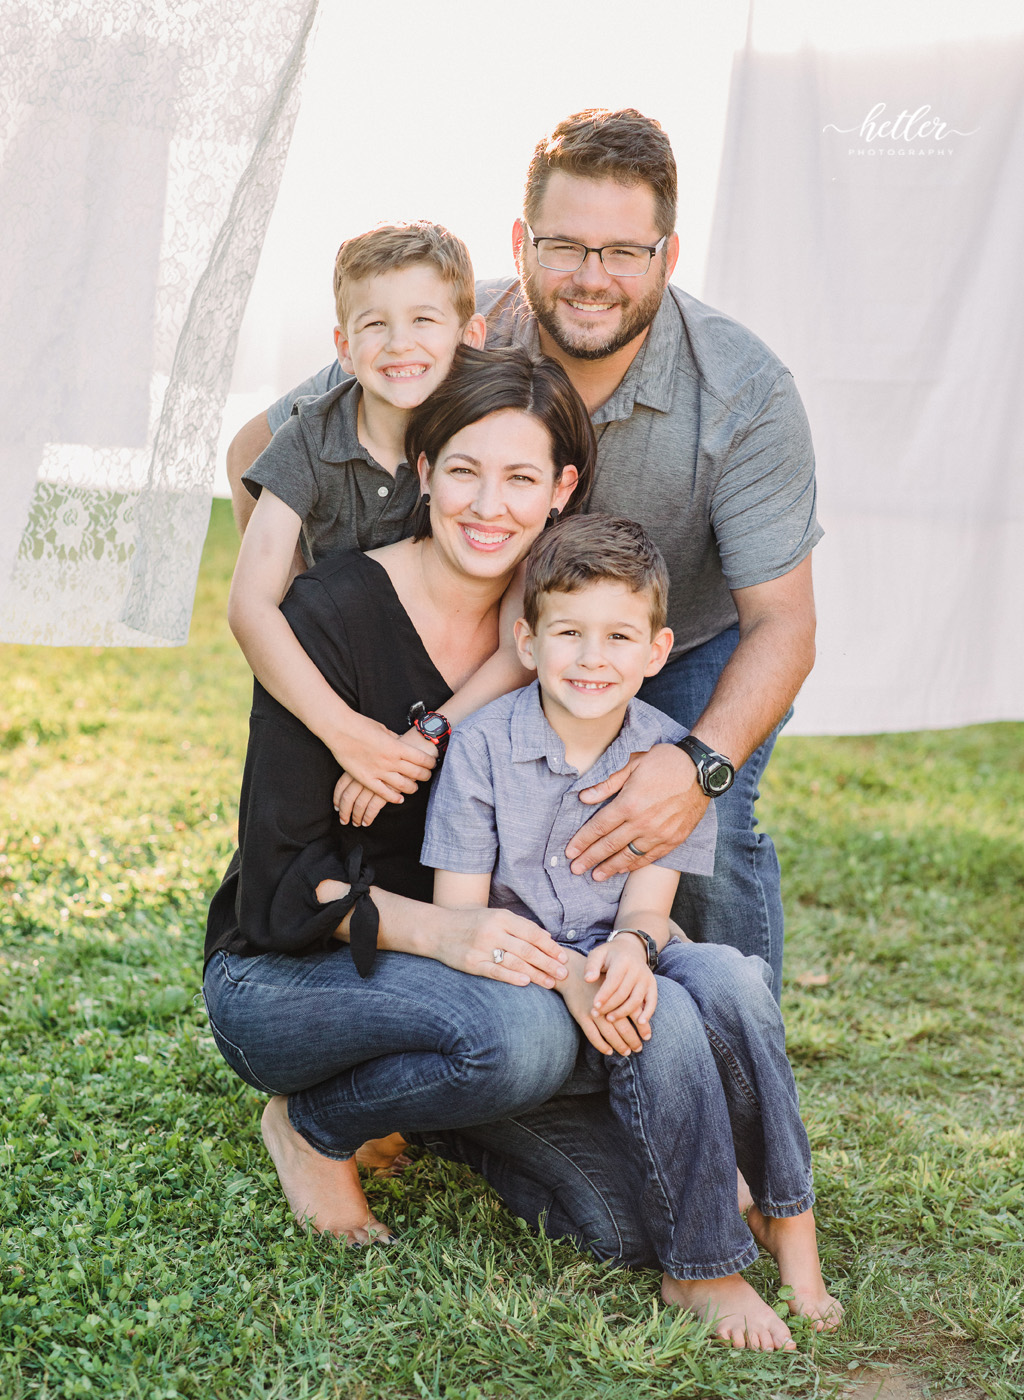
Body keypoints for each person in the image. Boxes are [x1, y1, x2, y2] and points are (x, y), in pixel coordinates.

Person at [226, 109, 822, 997]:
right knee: (479, 813)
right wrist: (334, 625)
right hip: (504, 642)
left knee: (705, 830)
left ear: (668, 254)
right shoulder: (450, 335)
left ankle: (729, 1070)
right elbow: (257, 453)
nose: (592, 278)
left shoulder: (744, 392)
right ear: (520, 240)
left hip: (678, 645)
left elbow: (783, 622)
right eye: (565, 246)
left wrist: (696, 765)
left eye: (624, 251)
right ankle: (506, 1051)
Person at [420, 515, 841, 1350]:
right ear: (527, 641)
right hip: (525, 973)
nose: (592, 658)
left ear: (656, 651)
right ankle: (701, 1269)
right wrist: (584, 971)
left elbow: (650, 908)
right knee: (667, 1014)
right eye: (568, 633)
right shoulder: (481, 749)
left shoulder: (666, 759)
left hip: (626, 950)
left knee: (735, 979)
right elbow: (462, 917)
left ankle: (791, 1225)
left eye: (618, 636)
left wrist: (632, 947)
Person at [204, 345, 590, 1246]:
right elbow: (279, 882)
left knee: (608, 1208)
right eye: (464, 471)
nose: (490, 508)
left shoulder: (558, 640)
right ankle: (311, 1126)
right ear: (424, 471)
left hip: (459, 969)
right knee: (522, 1039)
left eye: (521, 478)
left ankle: (423, 1106)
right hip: (285, 972)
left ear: (561, 491)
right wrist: (451, 935)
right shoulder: (330, 613)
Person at [228, 222, 530, 826]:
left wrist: (427, 738)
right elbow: (250, 606)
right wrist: (346, 732)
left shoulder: (487, 439)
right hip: (338, 687)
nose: (399, 344)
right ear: (343, 345)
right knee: (301, 843)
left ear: (469, 336)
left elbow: (518, 643)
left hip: (456, 692)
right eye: (375, 324)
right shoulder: (309, 438)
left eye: (424, 320)